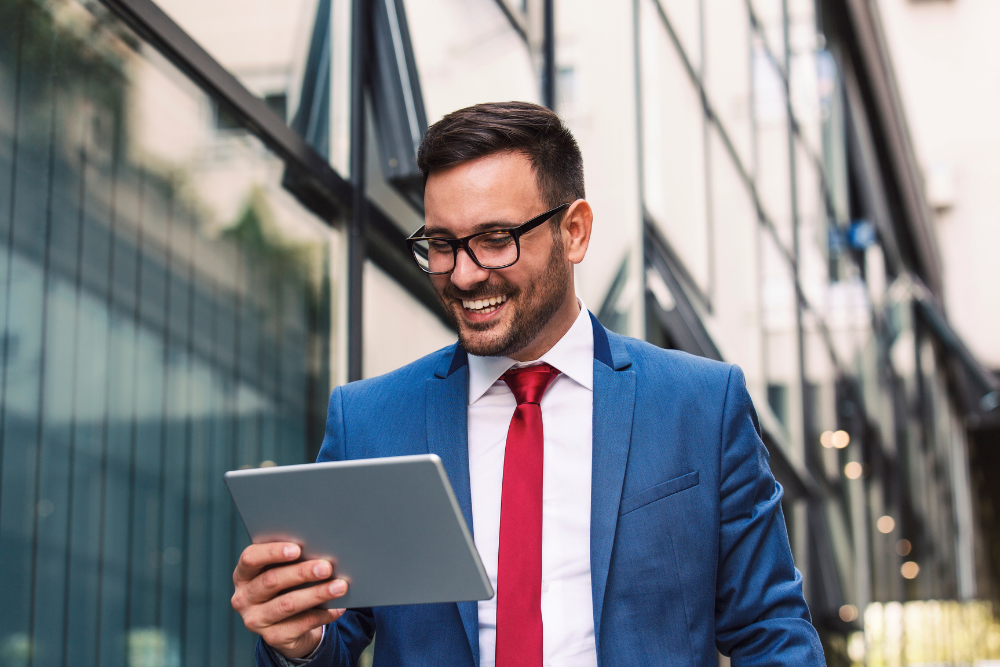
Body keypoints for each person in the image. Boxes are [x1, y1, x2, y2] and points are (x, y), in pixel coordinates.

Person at [231, 101, 826, 667]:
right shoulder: (370, 420)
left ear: (574, 232)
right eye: (441, 245)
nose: (463, 274)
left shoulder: (698, 404)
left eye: (495, 239)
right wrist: (298, 641)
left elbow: (770, 631)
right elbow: (333, 636)